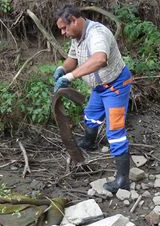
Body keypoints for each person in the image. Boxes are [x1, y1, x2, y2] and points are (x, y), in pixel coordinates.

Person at [53, 4, 133, 193]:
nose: (63, 33)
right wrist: (62, 69)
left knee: (115, 132)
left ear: (74, 20)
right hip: (98, 88)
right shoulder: (77, 36)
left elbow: (99, 60)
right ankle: (90, 141)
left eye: (64, 28)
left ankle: (123, 179)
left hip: (115, 87)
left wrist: (70, 77)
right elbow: (72, 58)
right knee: (90, 115)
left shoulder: (97, 33)